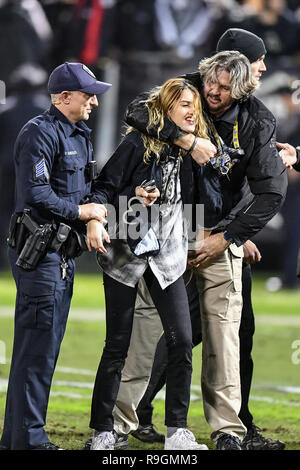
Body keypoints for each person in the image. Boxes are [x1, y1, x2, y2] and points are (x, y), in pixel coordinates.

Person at [112, 47, 287, 450]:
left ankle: (228, 432)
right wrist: (187, 140)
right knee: (144, 331)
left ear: (243, 90)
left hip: (218, 233)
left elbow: (272, 192)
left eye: (224, 88)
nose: (212, 92)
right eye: (210, 81)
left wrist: (228, 238)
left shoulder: (258, 119)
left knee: (224, 337)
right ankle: (117, 426)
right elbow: (137, 112)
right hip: (165, 230)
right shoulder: (187, 91)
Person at [84, 77, 216, 451]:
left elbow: (199, 195)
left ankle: (177, 431)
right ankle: (103, 431)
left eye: (195, 105)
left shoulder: (194, 151)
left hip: (168, 256)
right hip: (125, 255)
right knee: (117, 345)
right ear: (166, 111)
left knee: (181, 341)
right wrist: (134, 195)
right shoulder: (136, 142)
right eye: (184, 104)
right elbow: (103, 189)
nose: (192, 111)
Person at [0, 62, 111, 450]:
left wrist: (93, 216)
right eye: (88, 94)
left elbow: (91, 187)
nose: (94, 101)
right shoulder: (39, 132)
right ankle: (29, 440)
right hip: (40, 254)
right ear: (65, 97)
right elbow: (37, 193)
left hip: (61, 253)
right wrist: (84, 213)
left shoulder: (80, 134)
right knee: (37, 352)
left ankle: (17, 438)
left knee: (40, 350)